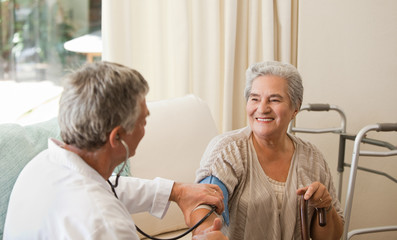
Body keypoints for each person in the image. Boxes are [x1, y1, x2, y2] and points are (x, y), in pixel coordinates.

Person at [3, 61, 228, 240]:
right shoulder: (105, 223)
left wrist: (176, 191)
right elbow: (97, 204)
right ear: (117, 137)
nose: (145, 127)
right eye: (143, 120)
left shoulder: (42, 165)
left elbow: (108, 188)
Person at [189, 61, 344, 240]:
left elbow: (331, 238)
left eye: (275, 99)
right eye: (255, 99)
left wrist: (324, 206)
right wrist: (207, 232)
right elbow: (204, 204)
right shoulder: (227, 151)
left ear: (295, 108)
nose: (262, 109)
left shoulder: (312, 159)